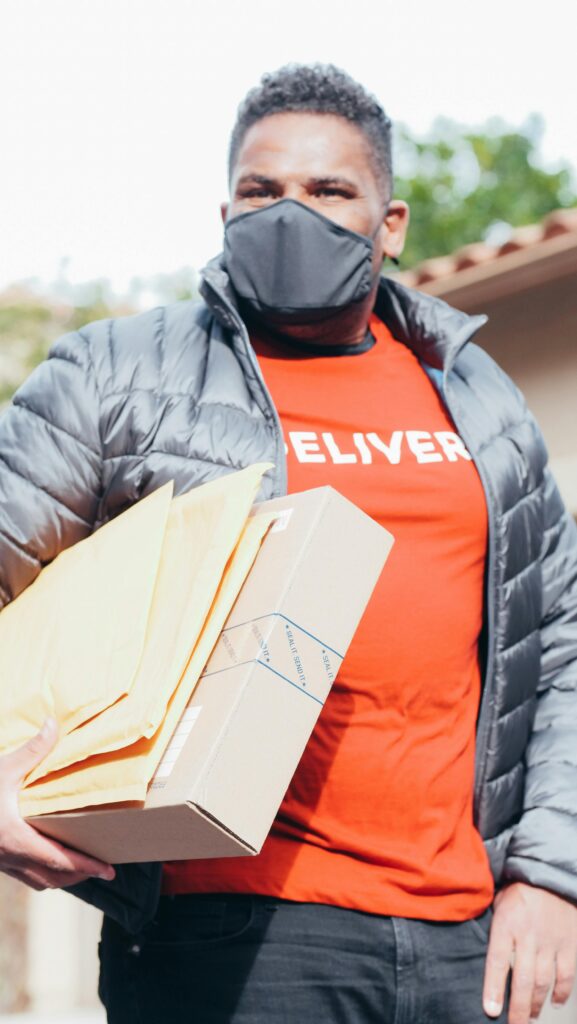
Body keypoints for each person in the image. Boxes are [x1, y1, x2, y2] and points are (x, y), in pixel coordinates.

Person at [0, 64, 577, 1024]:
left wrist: (549, 874)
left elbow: (556, 644)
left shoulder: (482, 403)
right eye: (262, 191)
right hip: (227, 933)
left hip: (459, 939)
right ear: (224, 208)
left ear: (389, 225)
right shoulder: (115, 376)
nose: (289, 214)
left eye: (328, 191)